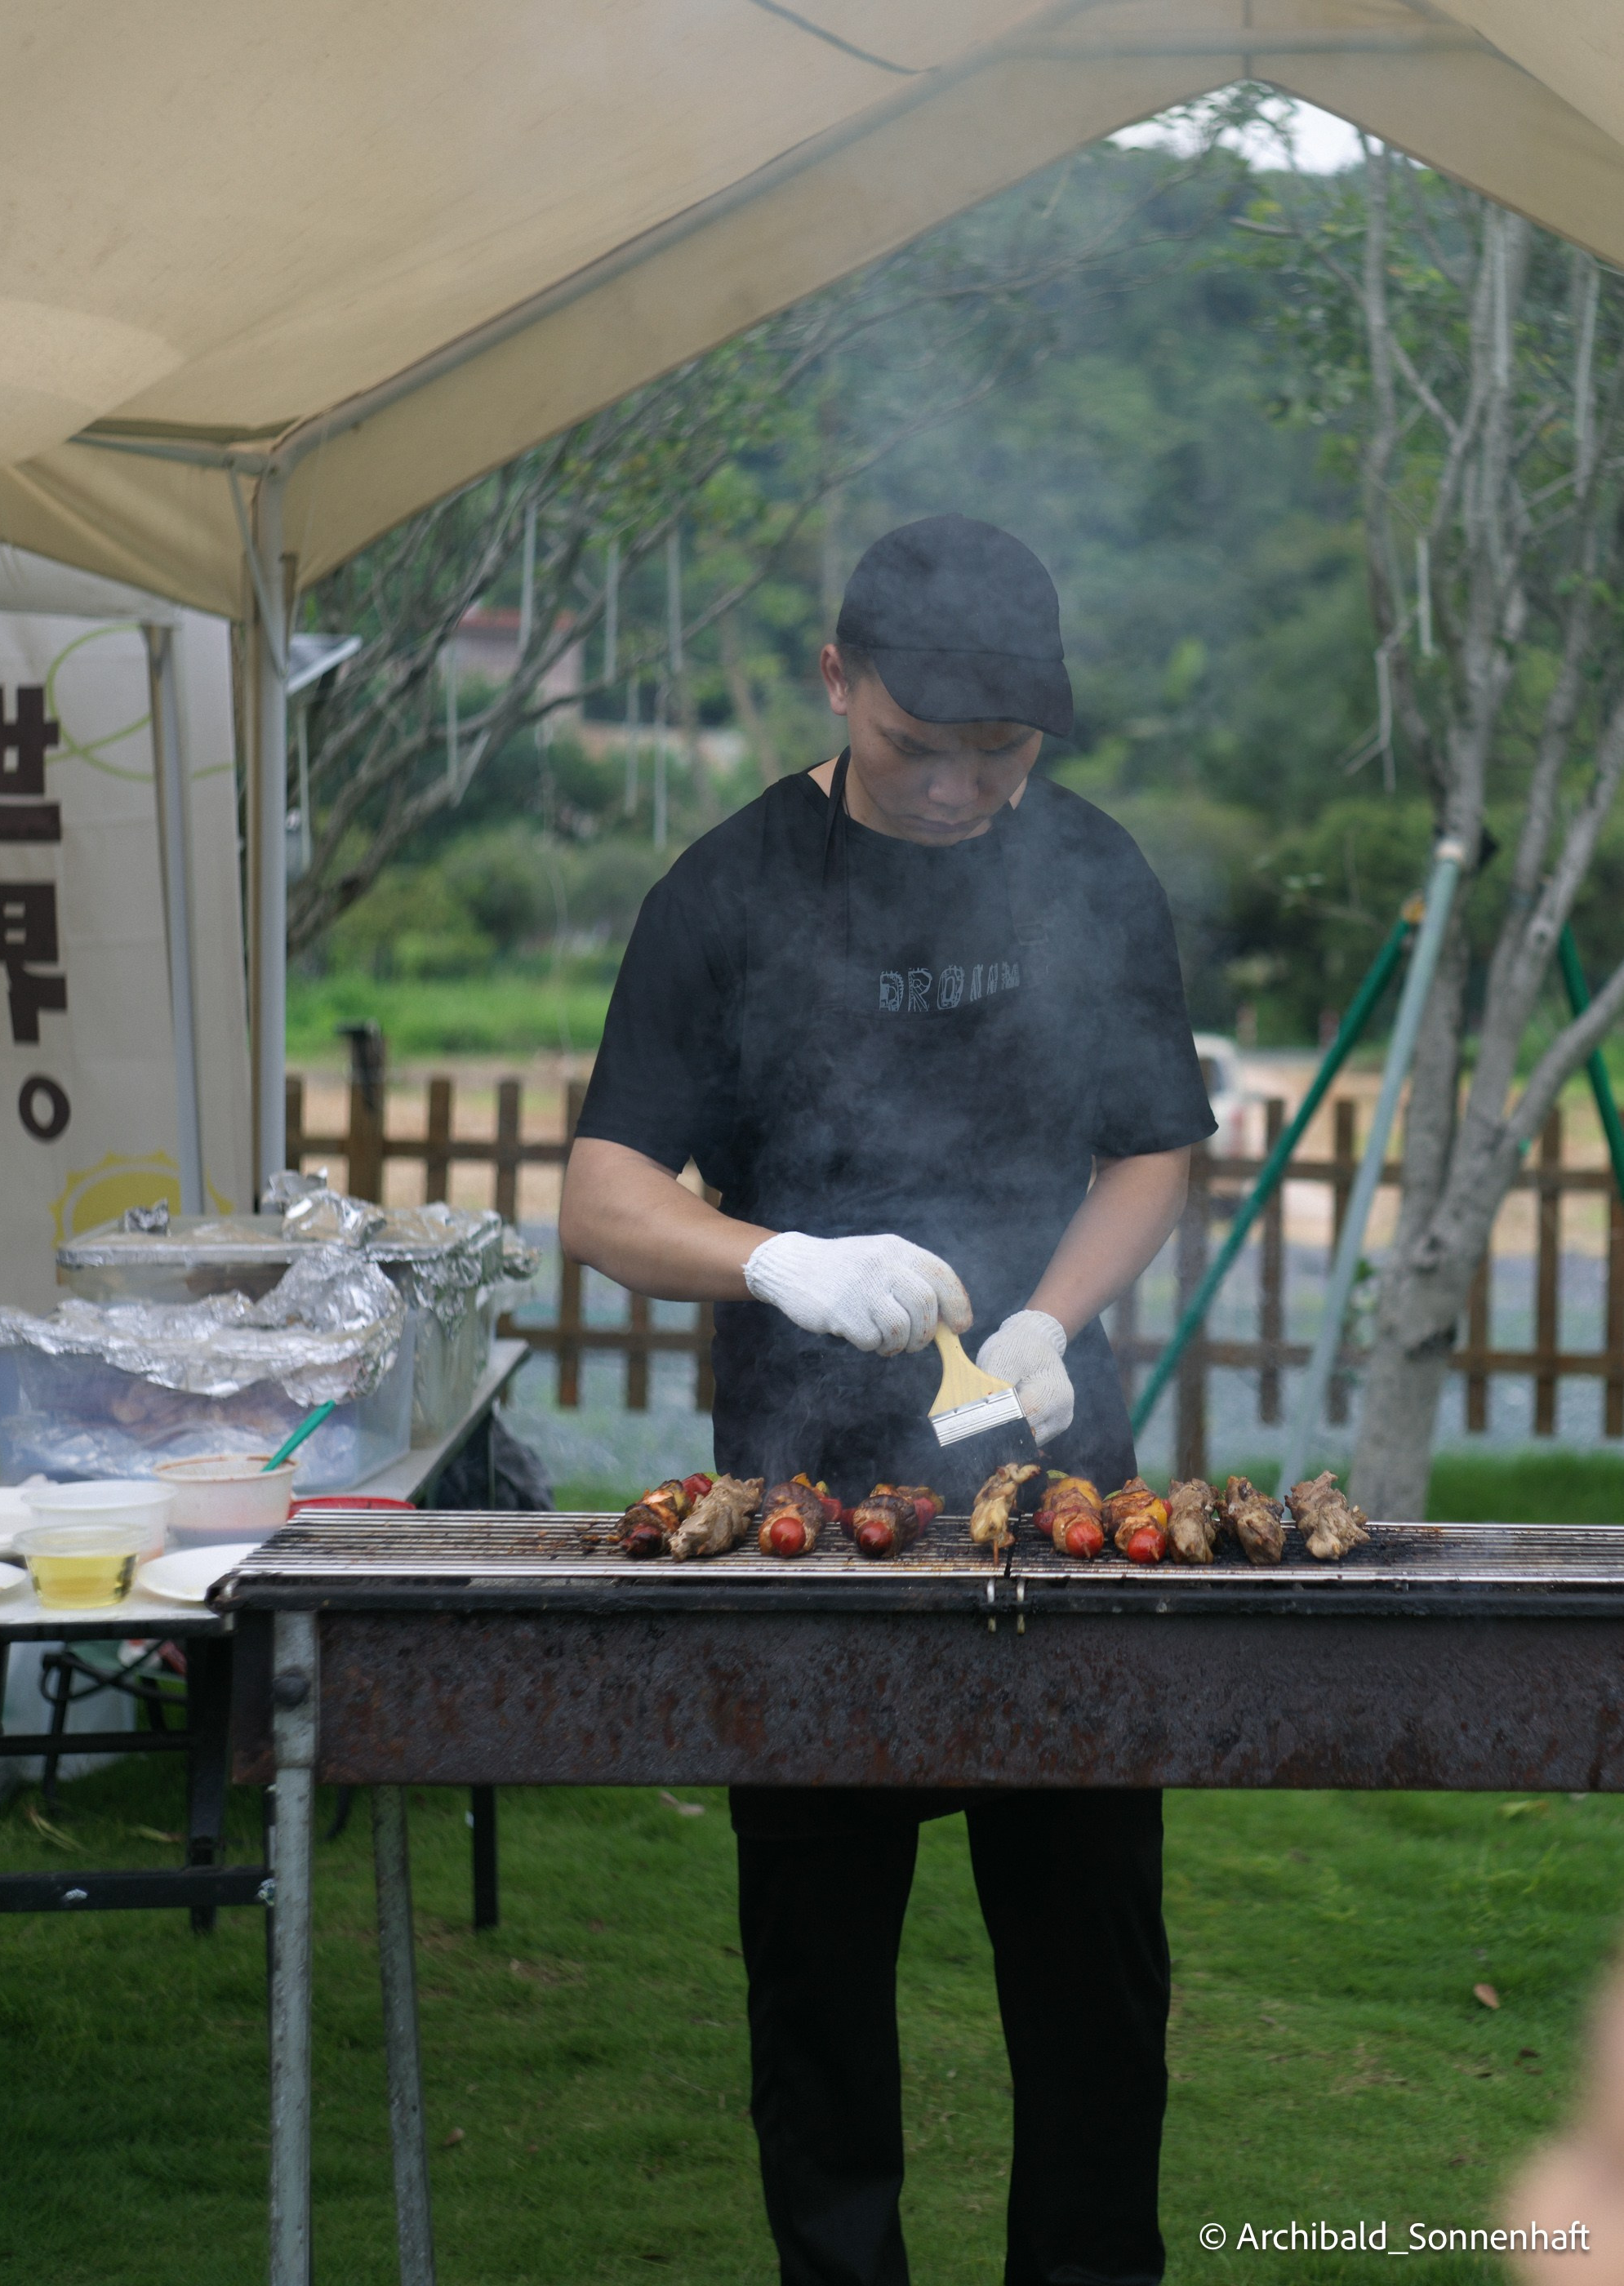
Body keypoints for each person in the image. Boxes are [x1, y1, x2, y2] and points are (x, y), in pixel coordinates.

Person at [561, 514, 1215, 2286]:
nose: (954, 791)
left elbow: (1154, 1146)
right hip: (800, 1508)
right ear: (837, 680)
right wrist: (780, 1259)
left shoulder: (1085, 869)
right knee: (820, 1989)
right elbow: (602, 1191)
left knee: (1091, 1980)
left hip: (1051, 1491)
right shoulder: (728, 887)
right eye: (920, 749)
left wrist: (1047, 1318)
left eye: (996, 758)